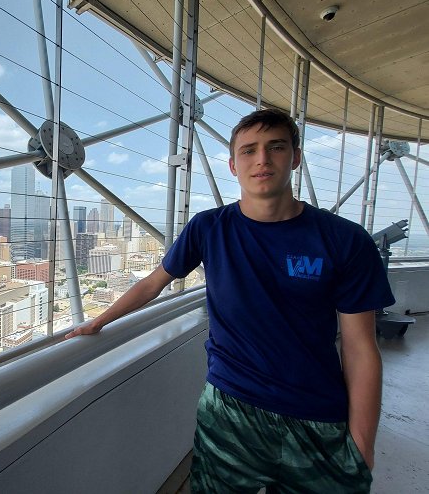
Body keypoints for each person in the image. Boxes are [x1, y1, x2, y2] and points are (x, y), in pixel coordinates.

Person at [65, 108, 394, 492]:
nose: (262, 160)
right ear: (233, 166)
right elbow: (154, 282)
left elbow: (359, 346)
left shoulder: (345, 240)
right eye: (249, 151)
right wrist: (98, 321)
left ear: (296, 156)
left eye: (276, 147)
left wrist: (361, 444)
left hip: (318, 414)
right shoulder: (208, 228)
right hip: (229, 409)